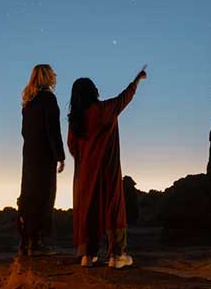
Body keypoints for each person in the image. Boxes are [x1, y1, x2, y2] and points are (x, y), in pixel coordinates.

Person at [67, 66, 147, 269]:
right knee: (113, 207)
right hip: (107, 169)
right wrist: (137, 80)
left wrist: (86, 158)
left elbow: (72, 147)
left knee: (89, 210)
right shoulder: (104, 110)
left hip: (84, 173)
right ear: (93, 91)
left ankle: (87, 256)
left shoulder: (74, 120)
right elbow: (124, 98)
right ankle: (117, 255)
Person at [17, 64, 66, 256]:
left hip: (29, 154)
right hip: (44, 156)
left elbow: (24, 131)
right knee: (45, 196)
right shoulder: (48, 98)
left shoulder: (28, 101)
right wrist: (60, 156)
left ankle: (25, 242)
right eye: (53, 74)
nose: (55, 76)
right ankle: (37, 243)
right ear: (47, 77)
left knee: (28, 195)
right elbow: (53, 130)